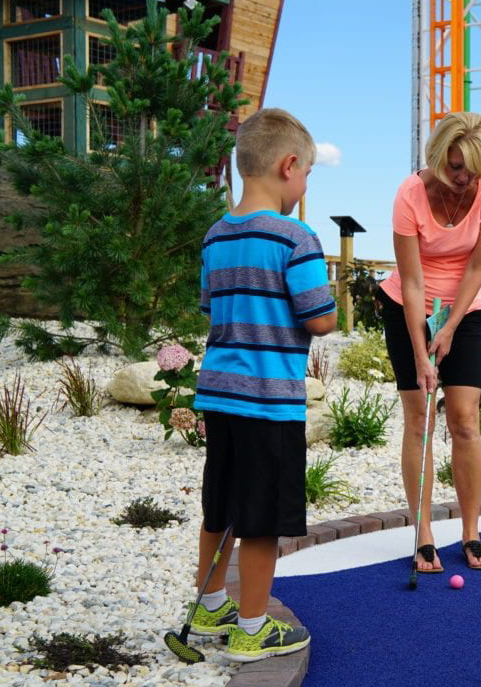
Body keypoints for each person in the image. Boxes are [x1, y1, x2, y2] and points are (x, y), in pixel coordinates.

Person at [191, 108, 335, 662]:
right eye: (308, 176)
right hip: (270, 401)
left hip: (219, 395)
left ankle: (209, 606)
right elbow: (318, 317)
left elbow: (211, 307)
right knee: (261, 518)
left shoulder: (214, 236)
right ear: (288, 165)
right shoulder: (296, 237)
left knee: (219, 504)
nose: (304, 188)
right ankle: (252, 627)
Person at [377, 111, 481, 573]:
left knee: (465, 420)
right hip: (406, 306)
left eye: (470, 168)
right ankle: (424, 534)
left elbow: (477, 267)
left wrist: (449, 329)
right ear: (437, 157)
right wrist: (420, 351)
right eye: (453, 166)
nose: (461, 176)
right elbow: (411, 282)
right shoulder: (410, 194)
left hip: (464, 310)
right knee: (419, 419)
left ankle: (471, 533)